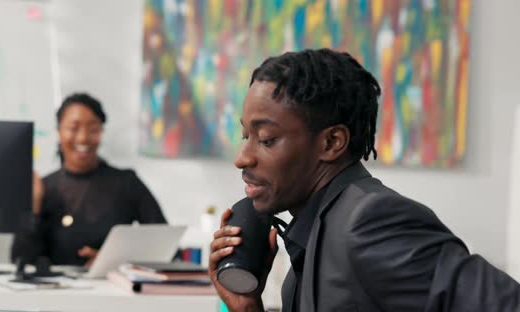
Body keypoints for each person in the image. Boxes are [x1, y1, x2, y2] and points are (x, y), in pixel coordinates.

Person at [209, 49, 520, 311]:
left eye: (266, 139)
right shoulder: (313, 239)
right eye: (245, 135)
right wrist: (248, 307)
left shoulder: (370, 223)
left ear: (331, 143)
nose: (242, 157)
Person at [12, 93, 166, 267]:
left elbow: (166, 246)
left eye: (93, 129)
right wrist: (33, 209)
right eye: (73, 128)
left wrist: (114, 263)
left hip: (113, 289)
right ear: (59, 132)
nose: (83, 138)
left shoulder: (126, 183)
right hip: (56, 291)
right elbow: (19, 259)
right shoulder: (43, 188)